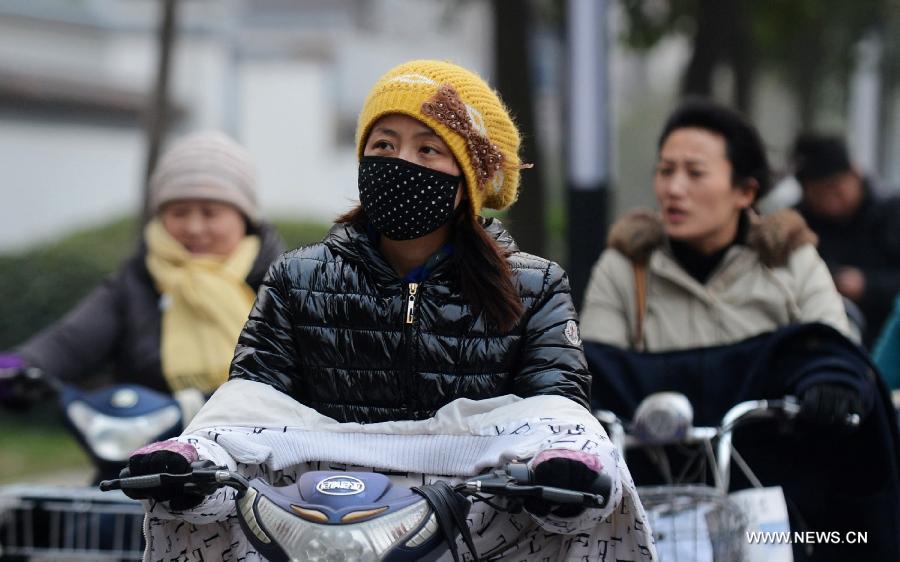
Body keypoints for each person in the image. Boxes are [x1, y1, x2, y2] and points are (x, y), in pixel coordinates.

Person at [123, 60, 656, 561]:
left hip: (475, 519)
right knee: (233, 409)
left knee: (572, 435)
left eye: (428, 150)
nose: (402, 163)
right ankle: (191, 468)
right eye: (384, 144)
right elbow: (254, 409)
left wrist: (557, 478)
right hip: (316, 516)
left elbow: (553, 407)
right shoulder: (296, 278)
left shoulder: (535, 285)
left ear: (468, 178)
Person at [580, 99, 900, 561]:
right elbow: (591, 372)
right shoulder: (626, 266)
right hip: (656, 498)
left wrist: (829, 388)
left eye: (694, 173)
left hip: (773, 501)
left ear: (746, 192)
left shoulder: (792, 260)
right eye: (665, 170)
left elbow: (834, 353)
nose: (674, 188)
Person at [0, 131, 285, 404]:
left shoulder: (283, 285)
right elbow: (70, 343)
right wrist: (18, 367)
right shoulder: (136, 281)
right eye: (179, 212)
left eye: (210, 213)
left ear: (244, 217)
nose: (194, 227)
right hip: (143, 444)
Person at [793, 133, 900, 347]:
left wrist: (867, 286)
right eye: (818, 193)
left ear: (855, 174)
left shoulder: (892, 212)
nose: (830, 201)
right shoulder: (798, 223)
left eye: (835, 188)